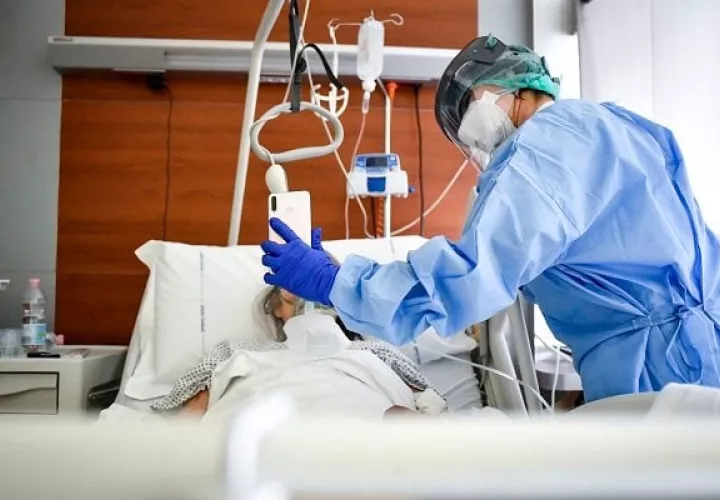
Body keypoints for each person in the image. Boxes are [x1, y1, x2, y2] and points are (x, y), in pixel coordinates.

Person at [261, 34, 720, 402]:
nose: (470, 133)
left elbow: (472, 274)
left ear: (515, 86)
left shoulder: (543, 147)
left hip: (661, 364)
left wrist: (339, 283)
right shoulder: (615, 125)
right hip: (694, 348)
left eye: (468, 107)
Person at [151, 284, 445, 417]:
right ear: (276, 309)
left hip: (362, 437)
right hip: (260, 431)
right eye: (295, 285)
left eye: (318, 282)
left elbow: (427, 402)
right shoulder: (236, 351)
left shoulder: (376, 351)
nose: (307, 291)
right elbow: (189, 421)